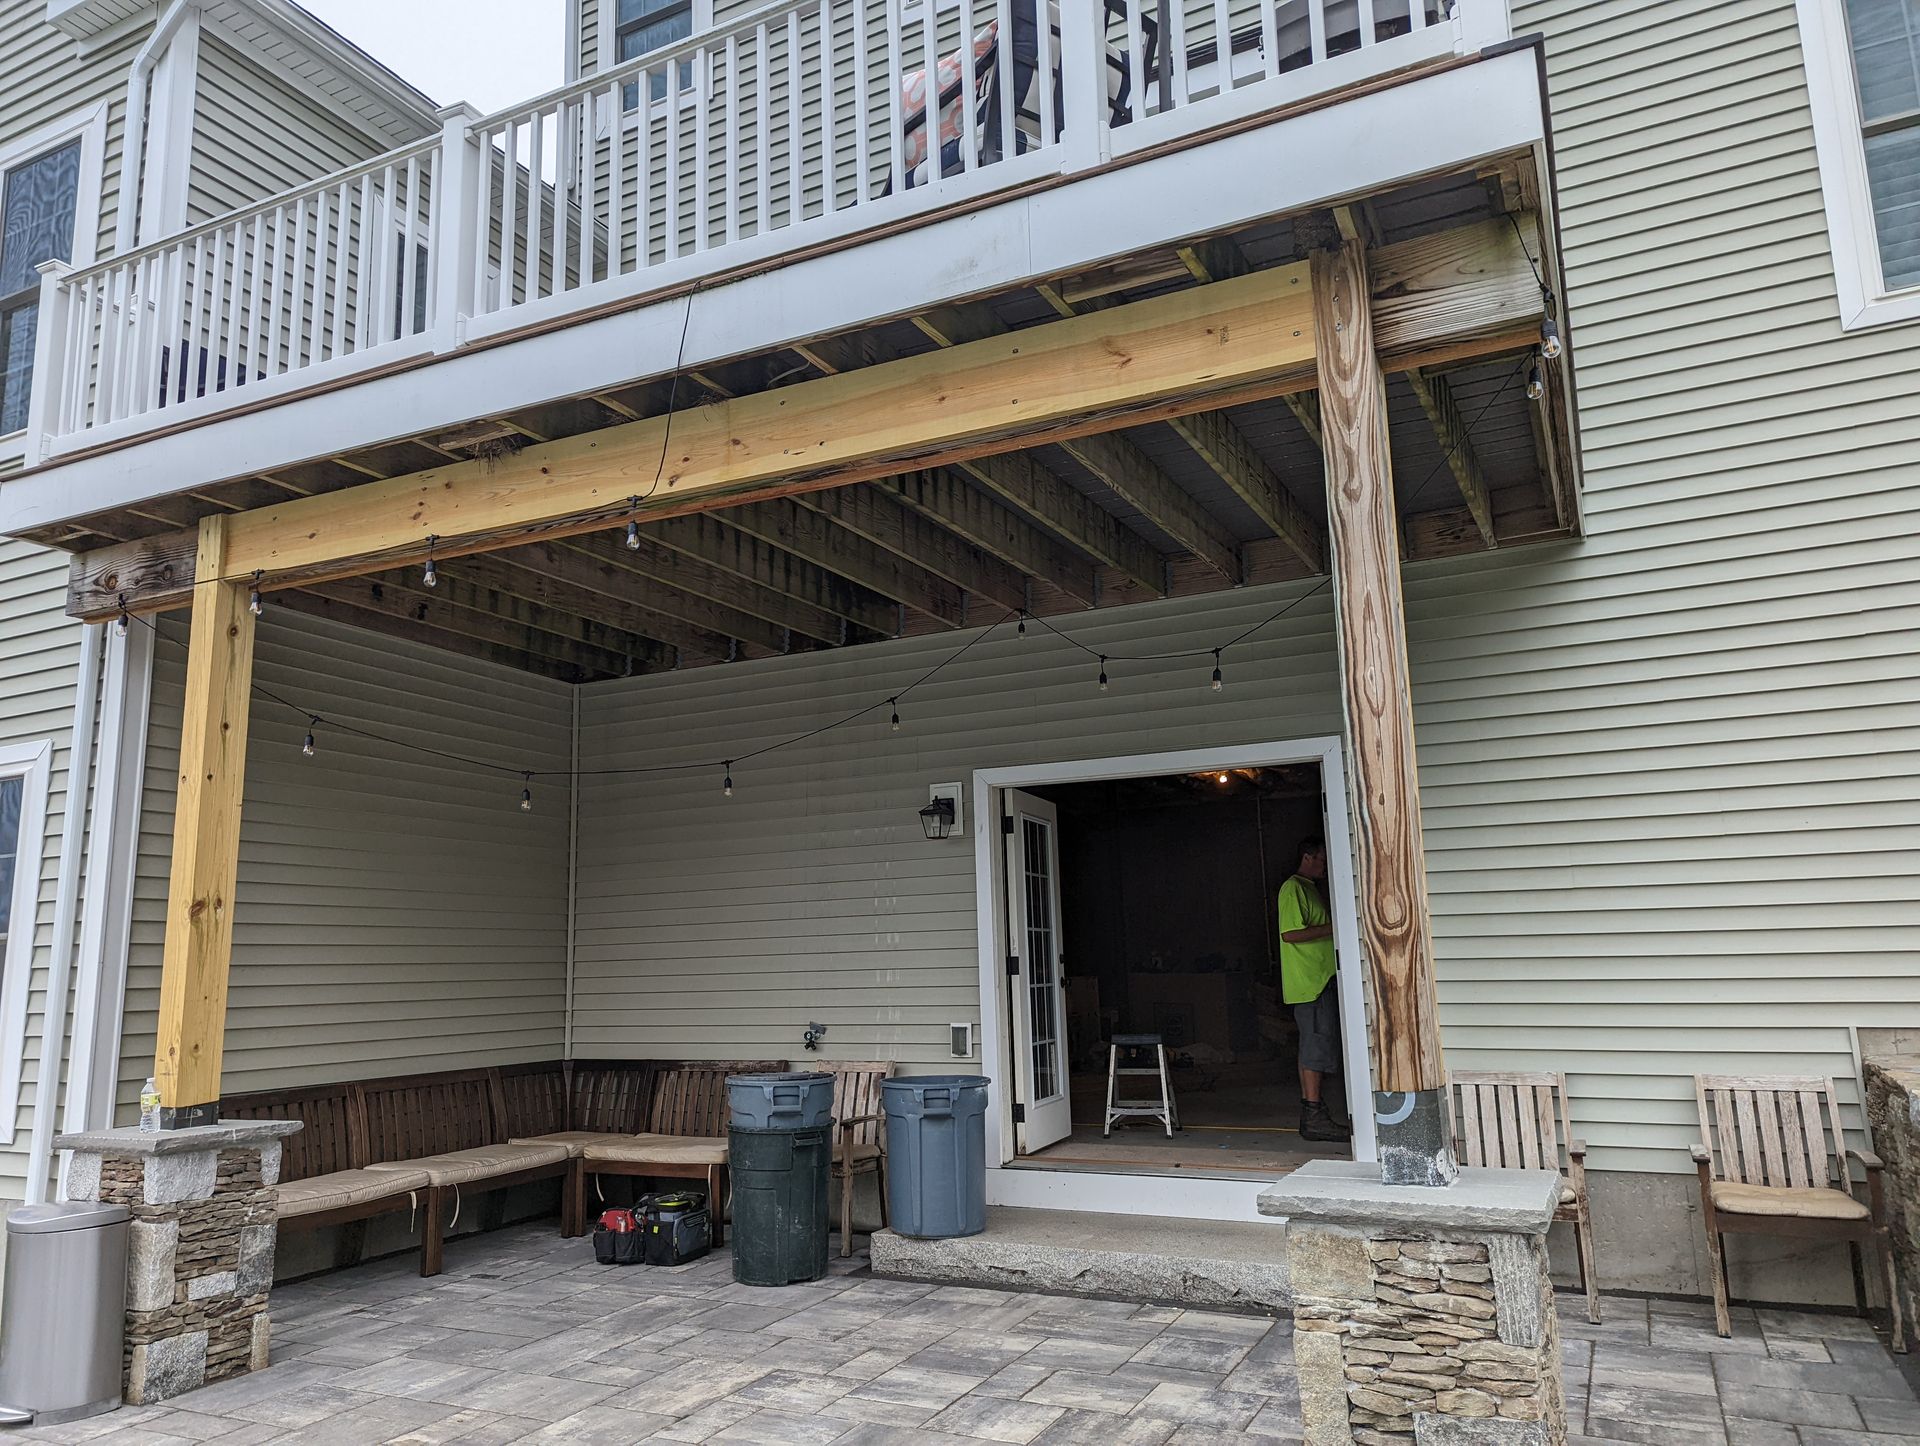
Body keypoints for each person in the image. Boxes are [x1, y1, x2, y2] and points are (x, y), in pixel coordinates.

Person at [1278, 835, 1350, 1144]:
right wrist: (1336, 927)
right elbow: (1290, 934)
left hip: (1319, 980)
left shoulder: (1309, 889)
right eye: (1321, 859)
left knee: (1316, 1046)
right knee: (1314, 1047)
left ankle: (1315, 1114)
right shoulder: (1293, 888)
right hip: (1310, 984)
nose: (1325, 866)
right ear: (1308, 857)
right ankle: (1313, 1115)